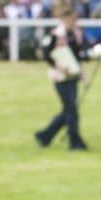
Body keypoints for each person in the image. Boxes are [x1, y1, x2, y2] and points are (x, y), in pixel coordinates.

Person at [34, 9, 88, 150]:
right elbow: (46, 54)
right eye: (71, 19)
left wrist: (81, 71)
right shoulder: (55, 35)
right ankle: (75, 142)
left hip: (73, 76)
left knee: (68, 111)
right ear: (65, 19)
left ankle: (44, 136)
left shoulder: (77, 34)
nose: (73, 22)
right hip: (60, 78)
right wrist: (59, 66)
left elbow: (78, 55)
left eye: (75, 19)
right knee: (71, 110)